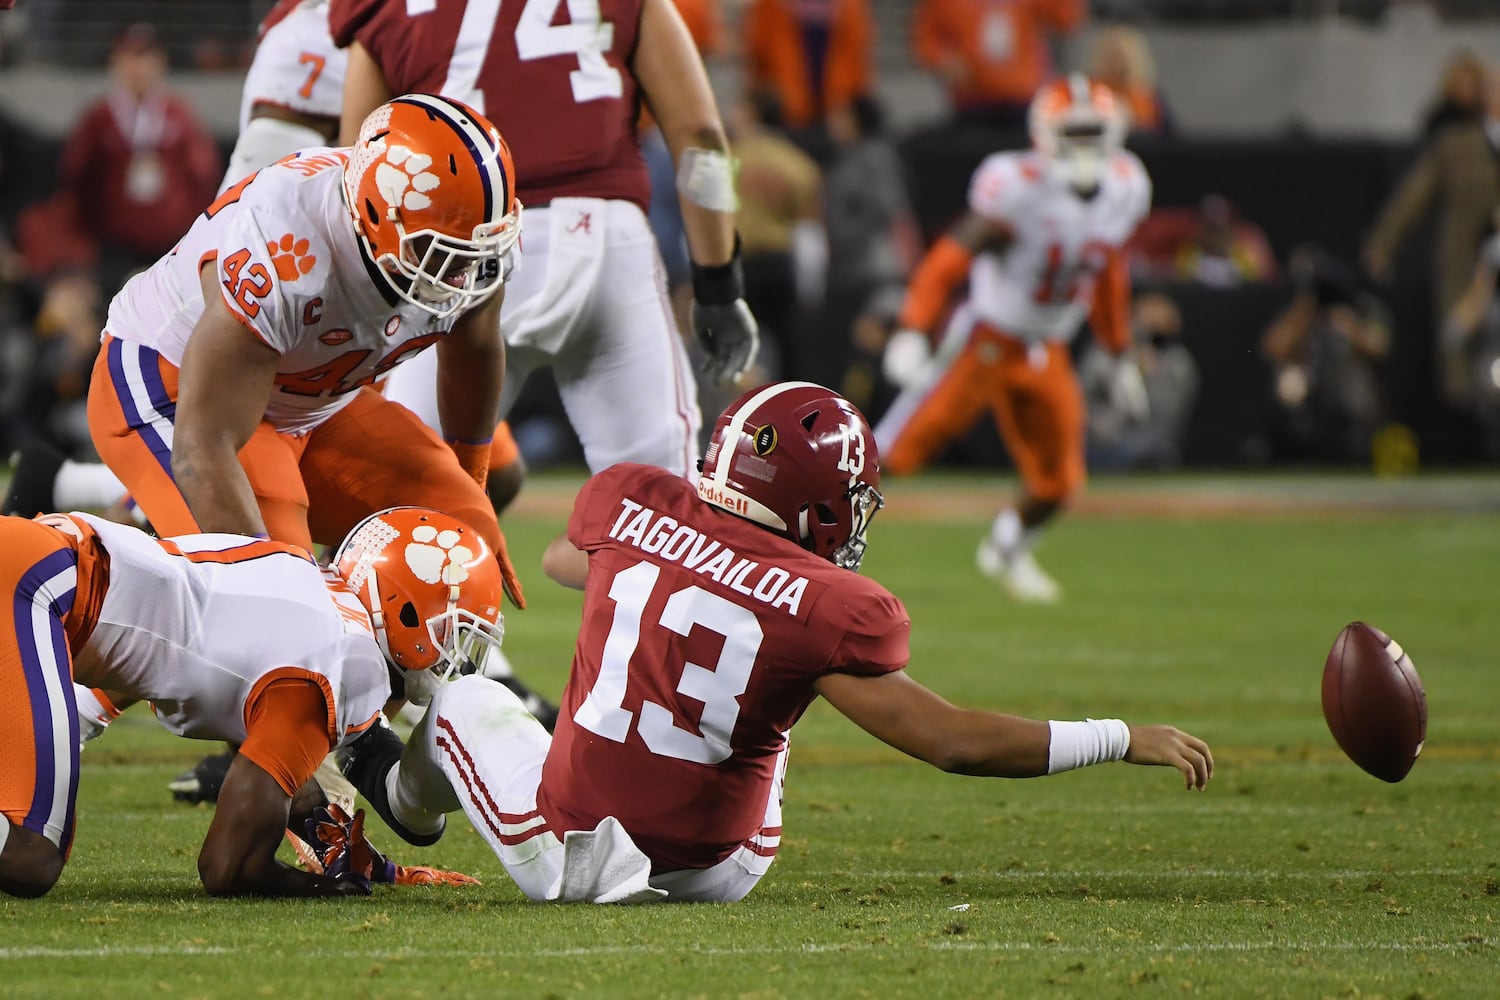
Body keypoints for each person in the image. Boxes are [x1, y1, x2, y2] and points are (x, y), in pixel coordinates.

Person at [325, 382, 1212, 904]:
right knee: (778, 694)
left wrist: (666, 562)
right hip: (719, 866)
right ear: (817, 502)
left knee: (465, 701)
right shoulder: (829, 602)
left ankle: (403, 801)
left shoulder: (632, 503)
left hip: (562, 845)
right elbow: (951, 742)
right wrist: (1116, 735)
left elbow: (570, 562)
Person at [331, 0, 759, 481]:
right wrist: (719, 284)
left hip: (455, 253)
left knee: (400, 493)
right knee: (661, 511)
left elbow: (358, 163)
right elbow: (700, 135)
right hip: (607, 245)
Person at [0, 505, 498, 898]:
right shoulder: (334, 662)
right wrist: (319, 888)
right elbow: (227, 866)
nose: (457, 655)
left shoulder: (303, 585)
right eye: (455, 632)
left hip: (36, 562)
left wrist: (359, 859)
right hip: (39, 588)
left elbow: (284, 776)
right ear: (404, 606)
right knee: (30, 858)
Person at [875, 76, 1151, 604]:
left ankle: (1005, 549)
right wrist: (913, 328)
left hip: (1046, 347)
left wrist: (1119, 356)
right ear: (1044, 134)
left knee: (1060, 480)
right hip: (987, 337)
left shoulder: (1125, 186)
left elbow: (1109, 275)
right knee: (895, 451)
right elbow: (948, 258)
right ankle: (804, 544)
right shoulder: (1017, 187)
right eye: (1075, 132)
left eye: (1095, 131)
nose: (1086, 145)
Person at [1363, 65, 1500, 397]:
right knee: (1460, 344)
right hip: (1468, 260)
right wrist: (1381, 245)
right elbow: (1412, 197)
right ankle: (1474, 420)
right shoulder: (1456, 144)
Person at [58, 23, 222, 297]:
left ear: (160, 63)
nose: (139, 68)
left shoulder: (179, 116)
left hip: (170, 245)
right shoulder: (99, 120)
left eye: (146, 57)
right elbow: (76, 177)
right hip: (114, 246)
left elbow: (203, 174)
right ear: (116, 62)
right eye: (130, 57)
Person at [1262, 248, 1391, 464]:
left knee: (1360, 386)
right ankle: (1295, 451)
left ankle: (1360, 450)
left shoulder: (1361, 305)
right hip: (1311, 378)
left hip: (1349, 379)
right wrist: (1305, 311)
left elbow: (1381, 347)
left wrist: (1350, 326)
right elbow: (1273, 348)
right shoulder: (1301, 310)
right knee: (1289, 381)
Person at [912, 0, 1083, 129]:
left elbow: (1065, 19)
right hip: (972, 97)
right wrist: (944, 60)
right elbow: (926, 39)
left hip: (1022, 96)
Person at [741, 0, 875, 138]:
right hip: (784, 112)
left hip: (834, 114)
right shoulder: (770, 6)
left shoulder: (850, 7)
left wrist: (851, 105)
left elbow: (857, 57)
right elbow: (758, 56)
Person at [1087, 25, 1171, 137]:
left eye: (1124, 57)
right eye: (1114, 57)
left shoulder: (1148, 96)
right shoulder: (1089, 94)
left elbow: (1169, 138)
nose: (1119, 64)